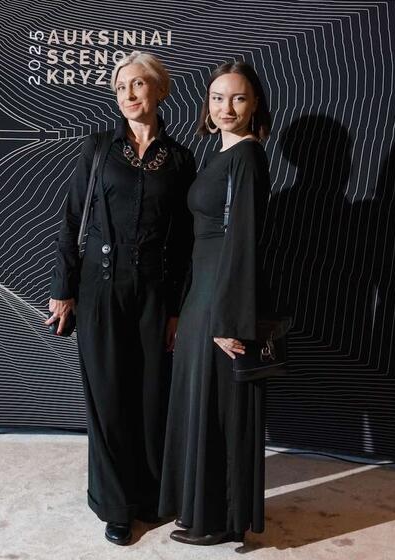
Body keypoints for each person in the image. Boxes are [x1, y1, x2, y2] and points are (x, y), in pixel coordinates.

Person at [45, 51, 196, 546]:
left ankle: (149, 497)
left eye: (138, 84)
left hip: (154, 292)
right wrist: (63, 290)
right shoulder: (97, 148)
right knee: (109, 399)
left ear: (160, 90)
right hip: (99, 289)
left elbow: (185, 240)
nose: (128, 94)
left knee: (151, 398)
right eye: (120, 87)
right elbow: (72, 220)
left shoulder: (180, 159)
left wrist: (176, 308)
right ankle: (115, 506)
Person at [159, 61, 273, 545]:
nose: (227, 107)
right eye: (218, 98)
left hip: (221, 302)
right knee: (202, 407)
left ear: (255, 105)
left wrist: (230, 320)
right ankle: (200, 511)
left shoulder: (247, 157)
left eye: (238, 98)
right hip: (202, 295)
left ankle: (222, 521)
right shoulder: (219, 154)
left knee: (221, 410)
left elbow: (243, 242)